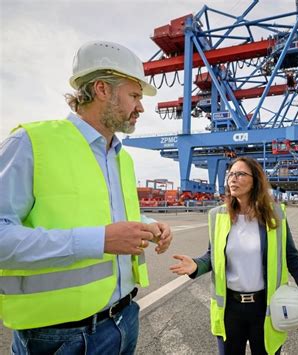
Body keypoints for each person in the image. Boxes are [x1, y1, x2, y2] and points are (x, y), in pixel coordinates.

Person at [0, 40, 173, 354]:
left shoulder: (122, 158)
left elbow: (103, 216)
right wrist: (98, 241)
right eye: (134, 95)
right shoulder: (30, 142)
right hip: (58, 337)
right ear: (102, 89)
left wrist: (148, 224)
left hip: (125, 318)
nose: (141, 107)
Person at [170, 157, 298, 355]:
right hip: (230, 310)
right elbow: (212, 256)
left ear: (255, 180)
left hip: (264, 308)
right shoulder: (218, 216)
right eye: (231, 174)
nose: (233, 179)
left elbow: (292, 258)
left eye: (240, 174)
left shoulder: (275, 215)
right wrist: (196, 266)